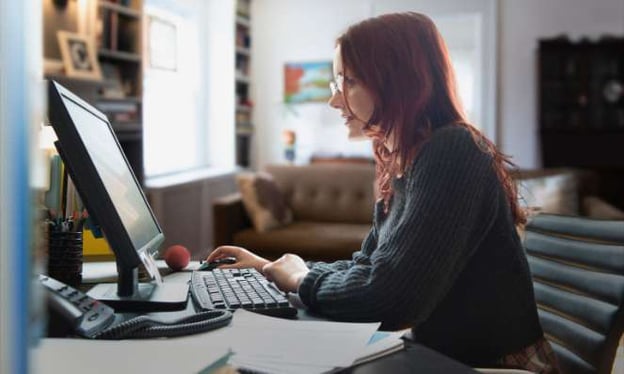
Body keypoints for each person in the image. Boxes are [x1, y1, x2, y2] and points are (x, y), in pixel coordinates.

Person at [206, 12, 558, 373]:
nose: (335, 101)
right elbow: (369, 268)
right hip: (441, 355)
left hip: (495, 366)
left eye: (350, 82)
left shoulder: (453, 149)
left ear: (399, 82)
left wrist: (301, 278)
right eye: (336, 85)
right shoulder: (404, 160)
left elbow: (389, 299)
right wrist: (273, 268)